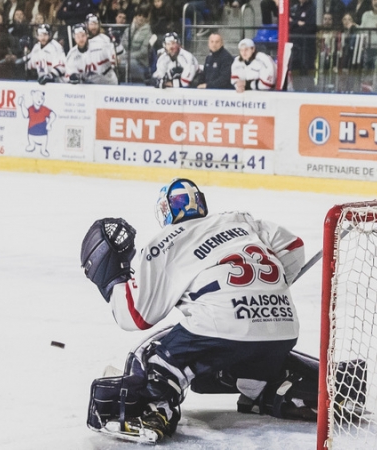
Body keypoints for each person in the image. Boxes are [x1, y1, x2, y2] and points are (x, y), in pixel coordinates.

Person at [80, 178, 311, 443]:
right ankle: (273, 387)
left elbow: (135, 315)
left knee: (154, 357)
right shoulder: (239, 220)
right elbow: (294, 248)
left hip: (222, 328)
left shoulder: (164, 242)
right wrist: (263, 291)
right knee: (251, 353)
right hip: (283, 327)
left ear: (166, 210)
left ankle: (152, 409)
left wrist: (113, 282)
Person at [119, 6, 153, 83]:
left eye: (144, 16)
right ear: (135, 17)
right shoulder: (129, 29)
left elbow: (144, 52)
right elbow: (123, 43)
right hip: (127, 57)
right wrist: (132, 29)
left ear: (146, 19)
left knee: (127, 63)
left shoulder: (148, 33)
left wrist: (129, 56)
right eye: (139, 15)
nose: (141, 18)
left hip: (141, 62)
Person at [290, 0, 317, 91]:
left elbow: (310, 27)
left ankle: (311, 94)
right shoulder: (294, 8)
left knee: (308, 72)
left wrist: (294, 23)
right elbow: (289, 24)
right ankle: (296, 91)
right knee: (295, 70)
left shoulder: (312, 8)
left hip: (307, 46)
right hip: (295, 45)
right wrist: (298, 23)